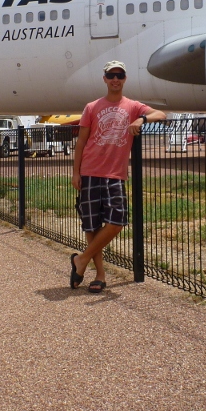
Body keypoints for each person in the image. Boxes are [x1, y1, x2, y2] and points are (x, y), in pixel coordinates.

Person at [70, 60, 166, 292]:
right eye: (111, 75)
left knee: (116, 223)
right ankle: (100, 275)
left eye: (119, 75)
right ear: (104, 79)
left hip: (115, 175)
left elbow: (161, 113)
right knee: (91, 226)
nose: (115, 79)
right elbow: (81, 142)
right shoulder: (92, 107)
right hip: (90, 171)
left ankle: (80, 261)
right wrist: (76, 172)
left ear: (125, 79)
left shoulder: (133, 106)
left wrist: (142, 119)